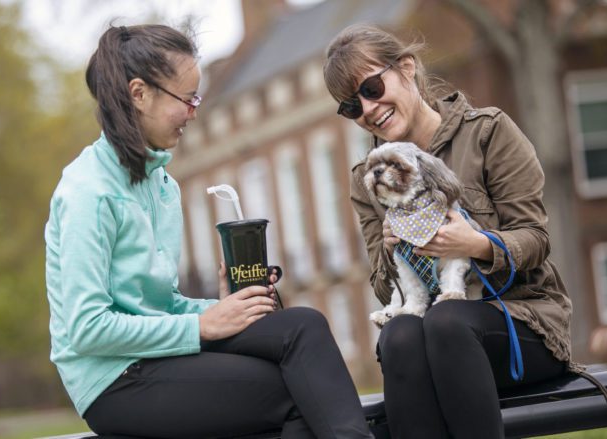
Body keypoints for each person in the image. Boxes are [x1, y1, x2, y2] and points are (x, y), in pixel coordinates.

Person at [44, 24, 374, 439]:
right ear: (139, 94)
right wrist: (203, 326)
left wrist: (219, 307)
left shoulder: (161, 185)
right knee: (290, 390)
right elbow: (88, 328)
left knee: (302, 325)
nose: (195, 112)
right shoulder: (87, 193)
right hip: (114, 380)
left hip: (160, 354)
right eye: (188, 99)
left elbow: (157, 306)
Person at [323, 24, 574, 439]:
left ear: (406, 68)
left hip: (522, 322)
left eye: (371, 87)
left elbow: (536, 239)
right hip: (430, 340)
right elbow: (386, 290)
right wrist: (391, 249)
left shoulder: (488, 132)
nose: (367, 109)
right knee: (400, 335)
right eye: (351, 106)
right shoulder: (368, 179)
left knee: (446, 321)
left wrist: (476, 244)